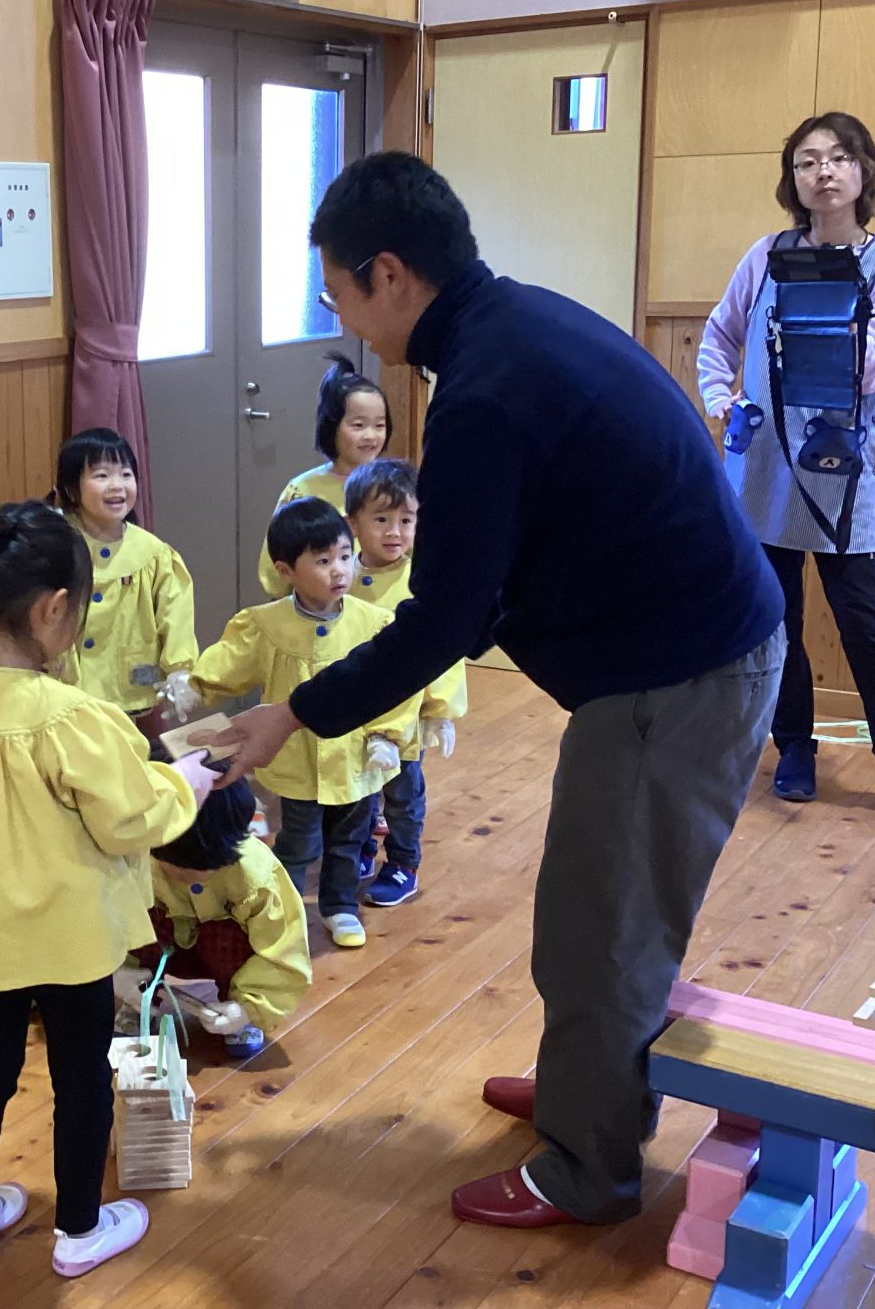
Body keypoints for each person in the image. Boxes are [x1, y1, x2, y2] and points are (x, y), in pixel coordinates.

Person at [207, 151, 785, 1230]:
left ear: (389, 274)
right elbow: (484, 583)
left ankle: (588, 1168)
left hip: (679, 676)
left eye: (337, 291)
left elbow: (444, 622)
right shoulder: (510, 327)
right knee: (591, 909)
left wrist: (292, 713)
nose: (340, 316)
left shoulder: (485, 390)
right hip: (681, 656)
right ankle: (583, 1090)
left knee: (605, 929)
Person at [0, 501, 218, 1277]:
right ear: (54, 610)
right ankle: (80, 1229)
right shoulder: (70, 717)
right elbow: (131, 818)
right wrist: (185, 782)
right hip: (67, 935)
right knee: (81, 1077)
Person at [696, 112, 875, 834]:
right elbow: (720, 335)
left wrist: (825, 310)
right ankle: (792, 745)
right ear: (791, 178)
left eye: (838, 157)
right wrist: (723, 401)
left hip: (840, 473)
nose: (822, 172)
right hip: (762, 467)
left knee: (868, 626)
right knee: (776, 621)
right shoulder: (766, 254)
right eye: (806, 161)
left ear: (864, 170)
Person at [192, 498, 420, 950]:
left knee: (350, 840)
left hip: (356, 761)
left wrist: (389, 735)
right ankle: (285, 909)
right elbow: (231, 662)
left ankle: (340, 906)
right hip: (297, 762)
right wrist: (197, 683)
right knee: (298, 841)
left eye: (344, 556)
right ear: (286, 571)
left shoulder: (373, 623)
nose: (339, 571)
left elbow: (398, 683)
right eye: (322, 561)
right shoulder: (266, 624)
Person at [343, 457, 468, 902]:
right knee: (355, 792)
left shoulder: (422, 581)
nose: (394, 532)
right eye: (381, 519)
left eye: (406, 520)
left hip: (405, 717)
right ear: (353, 523)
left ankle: (402, 863)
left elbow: (444, 649)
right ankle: (360, 848)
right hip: (354, 710)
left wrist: (440, 711)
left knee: (402, 795)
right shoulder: (342, 576)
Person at [134, 758, 311, 1059]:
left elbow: (283, 948)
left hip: (223, 954)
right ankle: (139, 997)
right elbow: (110, 918)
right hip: (166, 945)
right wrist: (119, 971)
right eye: (171, 863)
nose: (184, 874)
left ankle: (238, 1007)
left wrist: (249, 1008)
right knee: (136, 914)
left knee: (232, 934)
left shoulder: (256, 877)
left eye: (200, 867)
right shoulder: (137, 859)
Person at [51, 428, 203, 727]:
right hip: (64, 687)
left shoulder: (152, 553)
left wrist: (180, 669)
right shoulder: (55, 543)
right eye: (101, 475)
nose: (117, 485)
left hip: (125, 684)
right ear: (71, 488)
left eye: (125, 474)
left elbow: (175, 611)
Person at [254, 353, 392, 598]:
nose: (371, 435)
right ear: (332, 426)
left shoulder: (394, 487)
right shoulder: (303, 490)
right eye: (358, 425)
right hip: (319, 610)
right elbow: (275, 570)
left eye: (379, 425)